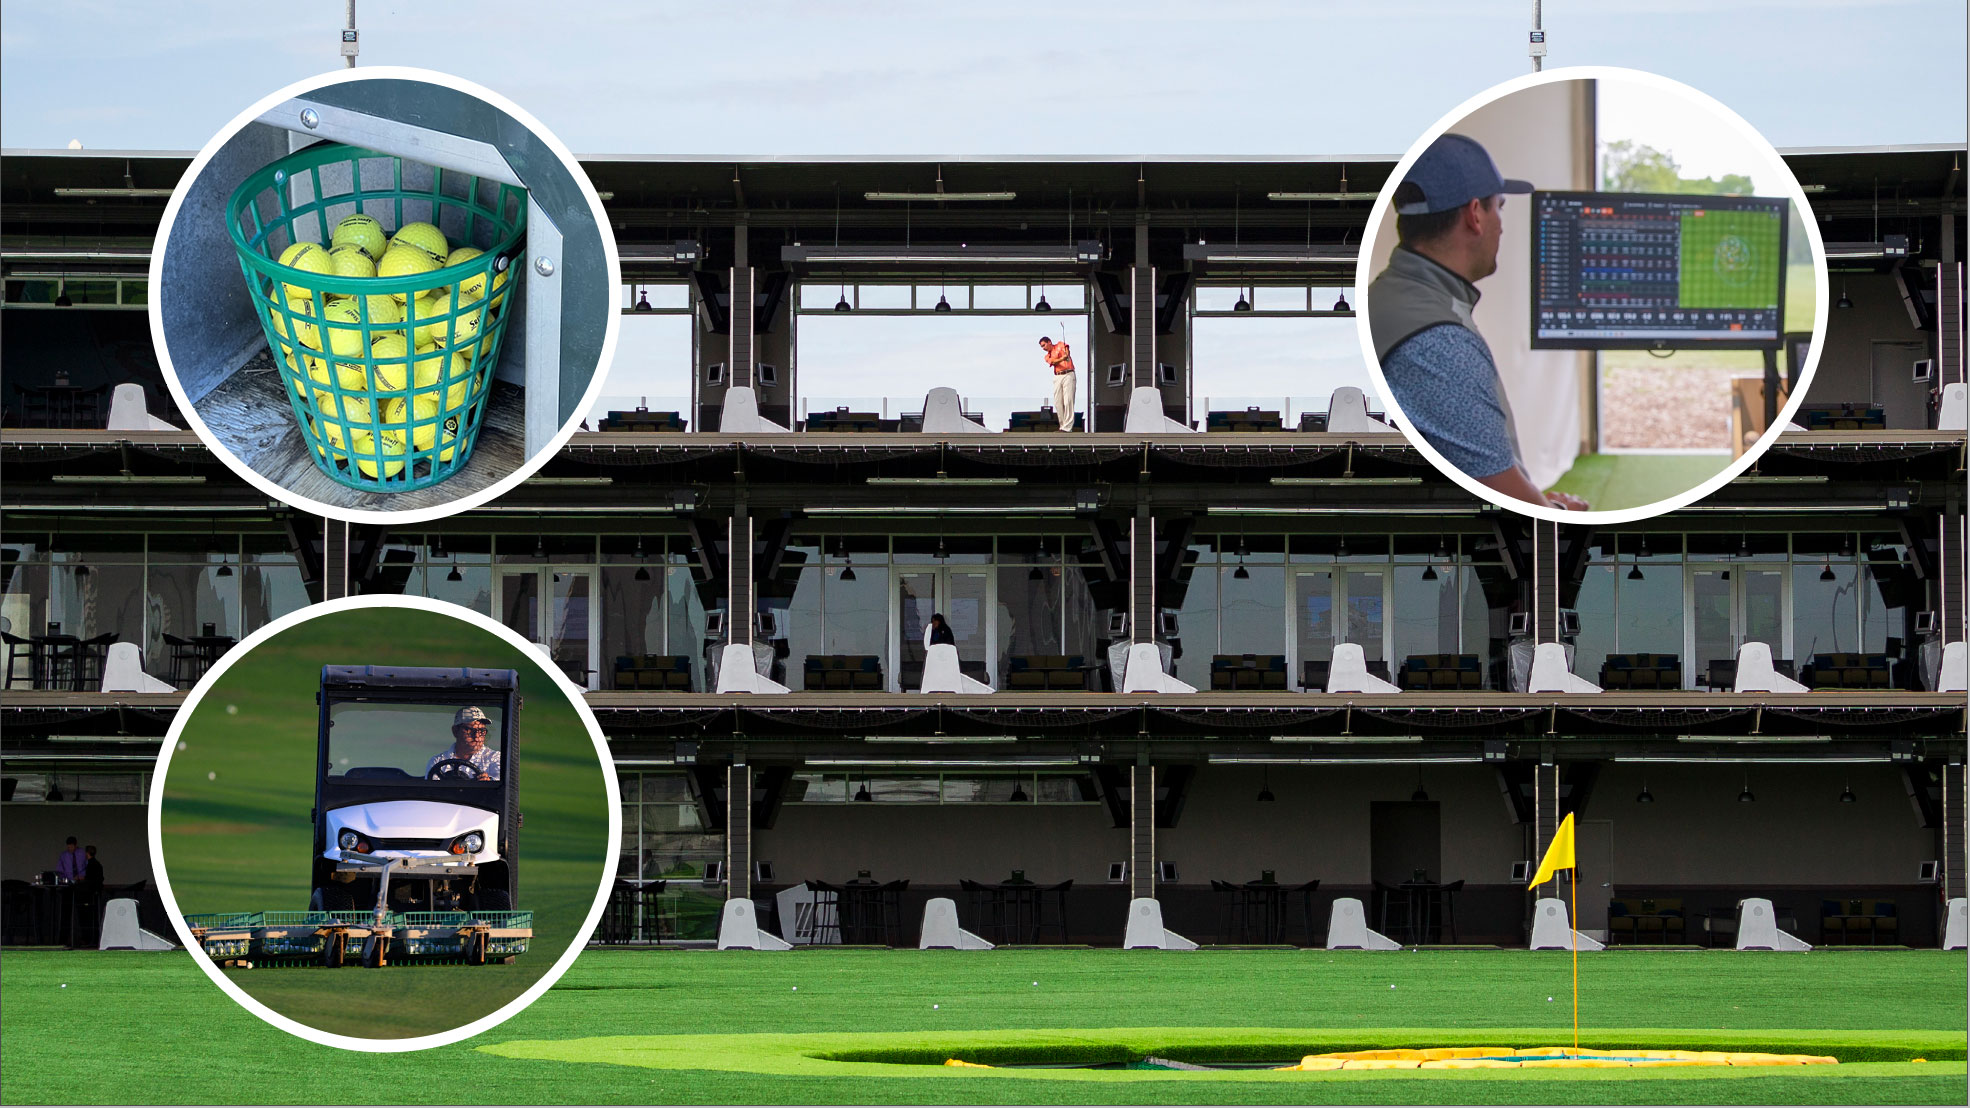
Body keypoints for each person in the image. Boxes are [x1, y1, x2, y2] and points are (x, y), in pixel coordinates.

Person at [1367, 133, 1589, 512]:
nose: (1502, 224)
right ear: (1475, 215)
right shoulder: (1440, 343)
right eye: (1499, 207)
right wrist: (1560, 512)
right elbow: (1510, 502)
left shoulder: (1389, 296)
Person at [426, 705, 500, 780]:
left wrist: (488, 782)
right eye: (470, 730)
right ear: (455, 731)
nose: (477, 736)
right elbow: (431, 790)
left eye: (481, 731)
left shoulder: (496, 758)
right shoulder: (437, 761)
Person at [1038, 336, 1076, 432]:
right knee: (1058, 402)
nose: (1043, 348)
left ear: (1049, 342)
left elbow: (1066, 349)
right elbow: (1053, 362)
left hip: (1068, 373)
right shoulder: (1047, 356)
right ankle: (1063, 425)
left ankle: (1067, 427)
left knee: (1068, 400)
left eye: (1044, 345)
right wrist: (1062, 358)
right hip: (1058, 376)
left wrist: (1066, 355)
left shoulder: (1060, 344)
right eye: (1042, 347)